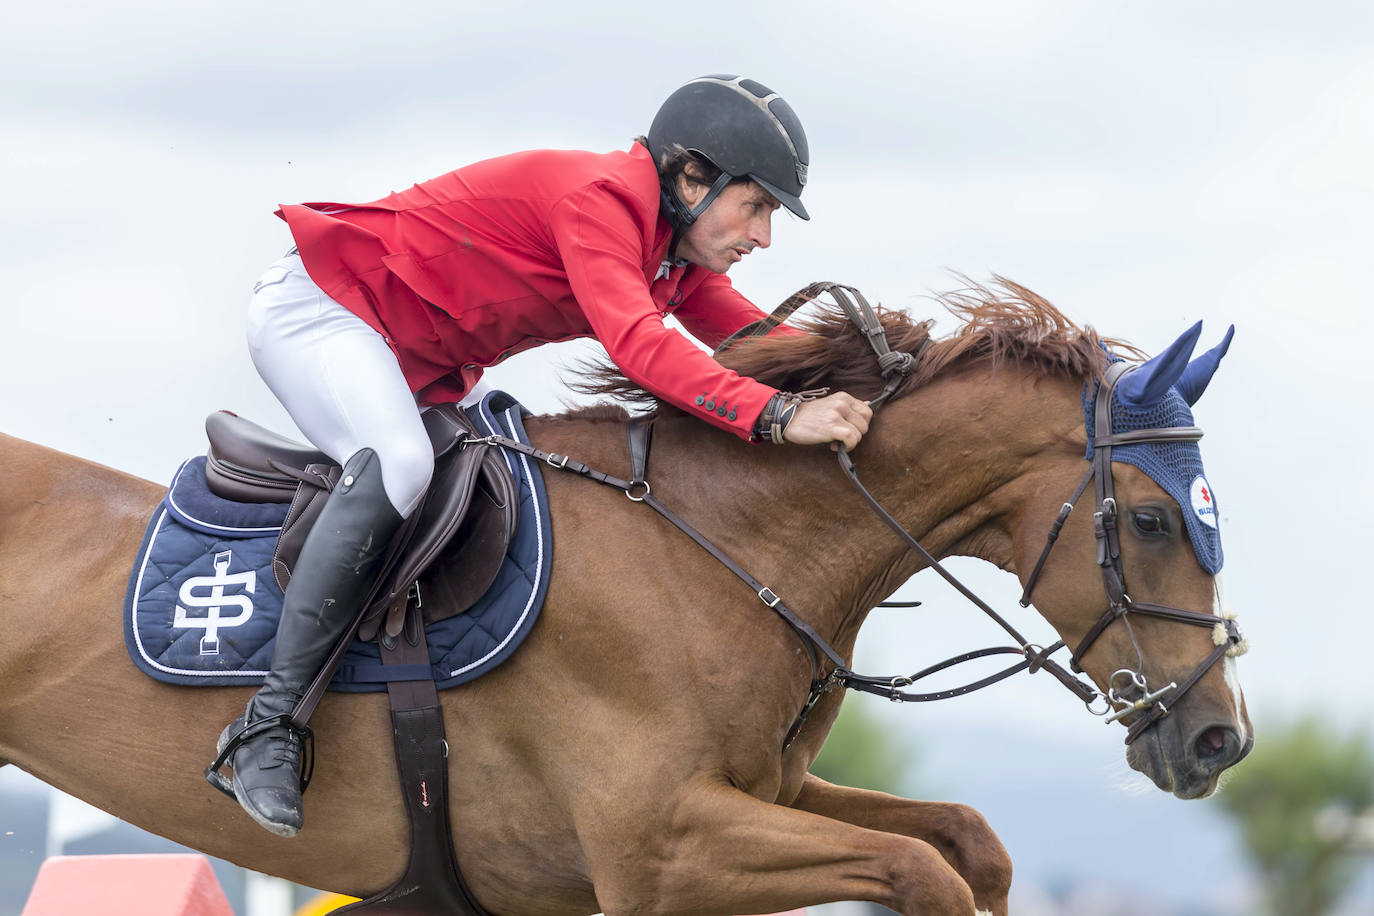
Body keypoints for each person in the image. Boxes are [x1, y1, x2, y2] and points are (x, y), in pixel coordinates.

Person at [215, 74, 873, 837]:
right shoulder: (595, 202)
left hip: (400, 356)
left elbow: (751, 340)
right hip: (322, 310)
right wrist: (779, 416)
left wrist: (876, 383)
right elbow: (641, 346)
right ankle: (266, 729)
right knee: (400, 465)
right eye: (754, 205)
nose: (762, 236)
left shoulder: (668, 246)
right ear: (693, 178)